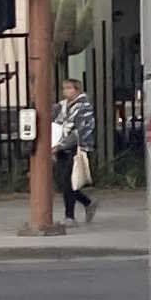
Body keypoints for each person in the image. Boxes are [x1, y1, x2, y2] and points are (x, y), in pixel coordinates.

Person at [51, 78, 96, 224]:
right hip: (60, 147)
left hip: (74, 149)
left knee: (69, 182)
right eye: (64, 88)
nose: (66, 91)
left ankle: (70, 216)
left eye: (69, 88)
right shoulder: (62, 106)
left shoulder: (83, 106)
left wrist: (62, 145)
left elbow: (80, 130)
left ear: (77, 90)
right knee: (63, 182)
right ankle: (87, 202)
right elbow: (54, 121)